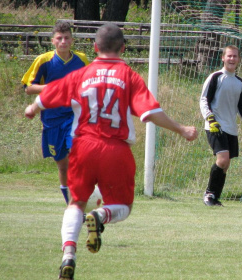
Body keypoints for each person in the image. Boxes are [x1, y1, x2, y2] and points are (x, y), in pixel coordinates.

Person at [24, 23, 198, 280]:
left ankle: (68, 255)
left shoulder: (81, 74)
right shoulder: (128, 76)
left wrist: (33, 107)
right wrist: (181, 128)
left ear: (95, 47)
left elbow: (49, 94)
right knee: (123, 206)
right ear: (123, 48)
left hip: (82, 147)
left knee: (76, 203)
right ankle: (100, 215)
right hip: (115, 149)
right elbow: (150, 114)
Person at [21, 21, 89, 205]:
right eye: (59, 38)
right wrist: (51, 88)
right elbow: (28, 88)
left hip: (74, 116)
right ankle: (71, 204)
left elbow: (89, 84)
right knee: (62, 164)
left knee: (79, 154)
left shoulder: (81, 60)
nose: (63, 41)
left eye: (67, 38)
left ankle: (83, 199)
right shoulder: (44, 60)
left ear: (72, 40)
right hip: (51, 119)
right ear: (53, 41)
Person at [199, 45, 242, 206]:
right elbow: (204, 100)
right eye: (229, 56)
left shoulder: (239, 83)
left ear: (239, 59)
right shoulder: (216, 77)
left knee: (226, 164)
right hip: (215, 125)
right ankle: (209, 194)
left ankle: (215, 198)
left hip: (231, 127)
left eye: (235, 56)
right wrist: (211, 119)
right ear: (223, 58)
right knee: (223, 159)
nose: (232, 59)